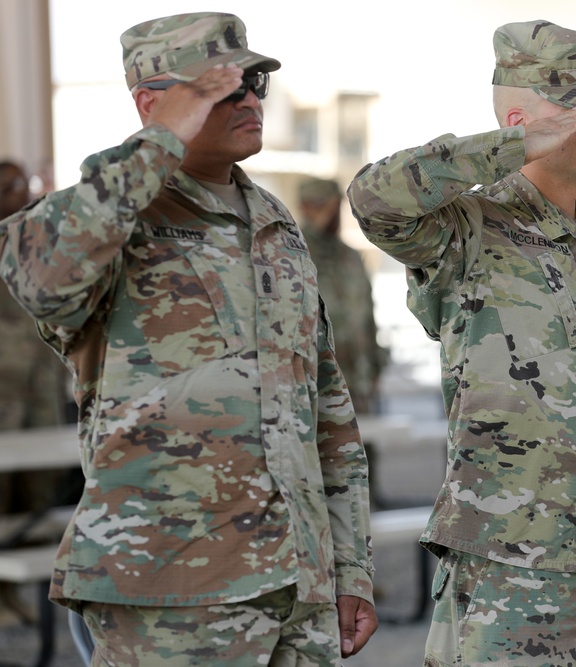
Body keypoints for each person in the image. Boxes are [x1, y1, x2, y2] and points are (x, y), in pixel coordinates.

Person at [0, 13, 376, 664]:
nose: (250, 97)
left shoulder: (275, 225)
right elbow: (39, 273)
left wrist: (351, 566)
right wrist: (161, 137)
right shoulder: (114, 219)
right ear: (152, 101)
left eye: (255, 80)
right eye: (222, 86)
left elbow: (327, 414)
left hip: (299, 585)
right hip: (173, 592)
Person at [348, 19, 576, 666]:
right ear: (518, 119)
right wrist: (509, 147)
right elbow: (374, 199)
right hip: (508, 567)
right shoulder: (468, 228)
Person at [0, 159, 71, 623]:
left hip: (39, 385)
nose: (18, 193)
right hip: (3, 389)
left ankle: (21, 595)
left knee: (38, 493)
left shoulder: (34, 242)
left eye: (22, 185)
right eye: (9, 186)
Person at [297, 177, 388, 416]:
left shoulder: (350, 257)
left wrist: (376, 367)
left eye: (336, 207)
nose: (333, 215)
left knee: (364, 448)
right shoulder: (294, 254)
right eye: (323, 206)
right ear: (305, 207)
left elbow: (367, 314)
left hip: (359, 380)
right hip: (318, 382)